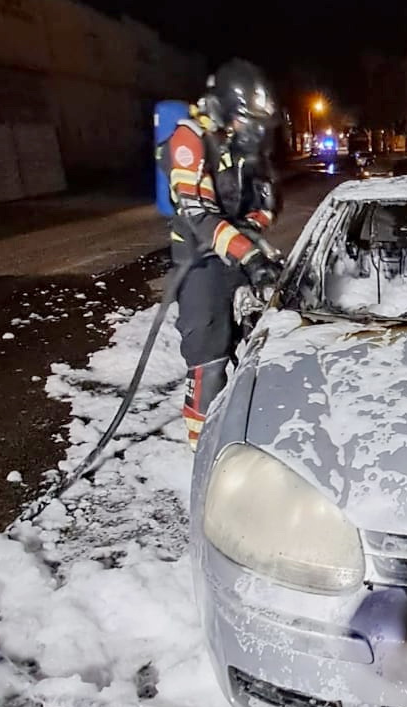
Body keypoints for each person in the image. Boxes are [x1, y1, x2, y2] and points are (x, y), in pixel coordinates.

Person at [164, 59, 283, 449]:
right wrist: (249, 256)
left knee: (258, 337)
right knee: (209, 358)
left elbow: (265, 202)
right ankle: (204, 448)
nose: (252, 130)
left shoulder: (243, 145)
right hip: (199, 262)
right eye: (247, 120)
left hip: (235, 250)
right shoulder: (190, 139)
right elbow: (199, 215)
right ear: (224, 110)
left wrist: (254, 234)